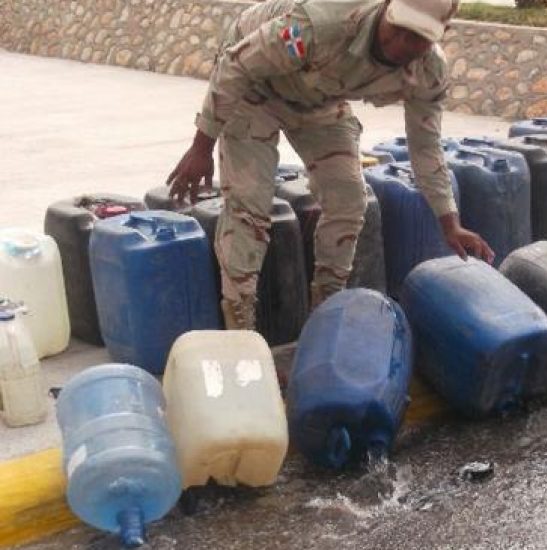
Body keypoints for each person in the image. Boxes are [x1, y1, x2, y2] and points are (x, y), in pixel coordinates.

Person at [166, 0, 494, 330]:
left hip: (319, 98)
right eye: (398, 28)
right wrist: (201, 147)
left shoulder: (428, 71)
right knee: (249, 207)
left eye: (417, 37)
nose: (400, 45)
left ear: (441, 33)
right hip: (254, 86)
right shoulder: (324, 24)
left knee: (349, 200)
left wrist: (449, 223)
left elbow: (425, 147)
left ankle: (324, 318)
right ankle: (240, 328)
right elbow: (236, 64)